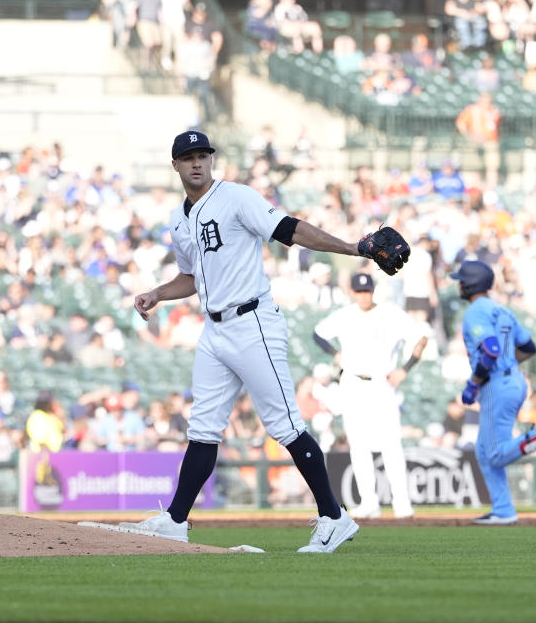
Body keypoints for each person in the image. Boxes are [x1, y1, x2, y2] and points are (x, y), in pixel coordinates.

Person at [125, 130, 408, 552]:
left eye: (203, 155)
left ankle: (334, 516)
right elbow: (191, 277)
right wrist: (158, 295)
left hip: (252, 321)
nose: (197, 162)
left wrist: (353, 248)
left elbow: (289, 230)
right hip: (214, 329)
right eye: (188, 157)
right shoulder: (177, 219)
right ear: (176, 166)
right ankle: (175, 520)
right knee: (202, 428)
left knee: (285, 425)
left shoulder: (237, 198)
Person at [453, 260, 536, 524]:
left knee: (495, 454)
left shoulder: (476, 311)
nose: (458, 284)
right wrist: (507, 365)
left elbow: (491, 350)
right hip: (513, 380)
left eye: (461, 280)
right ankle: (503, 510)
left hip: (496, 383)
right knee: (483, 451)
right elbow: (528, 347)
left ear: (469, 284)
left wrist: (474, 383)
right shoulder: (503, 310)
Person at [312, 272, 428, 519]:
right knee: (358, 445)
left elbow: (421, 339)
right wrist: (334, 353)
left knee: (391, 445)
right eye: (359, 291)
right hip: (353, 383)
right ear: (352, 292)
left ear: (373, 290)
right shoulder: (345, 315)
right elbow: (317, 333)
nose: (364, 295)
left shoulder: (391, 313)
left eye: (367, 290)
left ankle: (402, 503)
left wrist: (404, 370)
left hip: (381, 384)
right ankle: (368, 502)